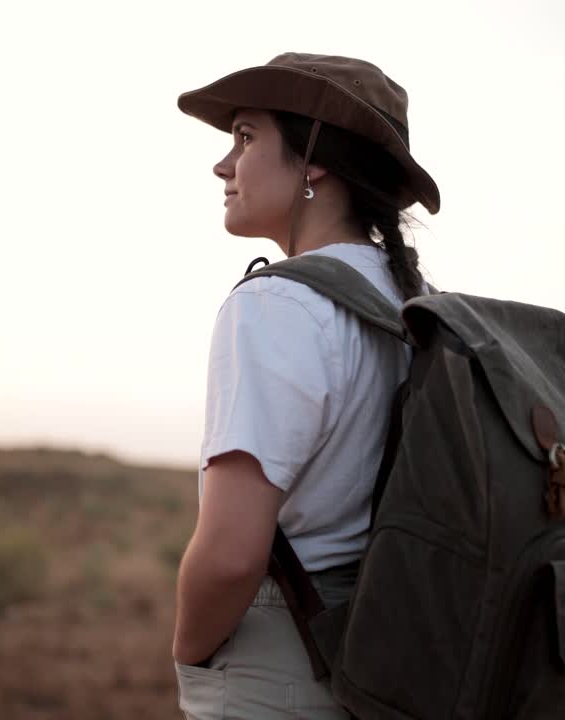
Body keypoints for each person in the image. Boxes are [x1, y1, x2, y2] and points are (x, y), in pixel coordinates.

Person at [171, 52, 441, 720]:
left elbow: (233, 554)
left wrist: (190, 655)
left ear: (314, 158)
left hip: (282, 661)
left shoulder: (276, 305)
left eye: (246, 136)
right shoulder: (427, 307)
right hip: (395, 658)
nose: (223, 165)